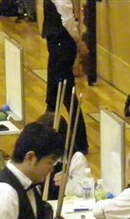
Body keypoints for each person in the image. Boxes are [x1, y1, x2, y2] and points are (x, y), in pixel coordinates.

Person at [42, 0, 88, 154]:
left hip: (61, 45)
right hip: (56, 45)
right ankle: (48, 136)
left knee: (67, 95)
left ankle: (80, 142)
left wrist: (78, 41)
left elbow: (67, 19)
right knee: (53, 94)